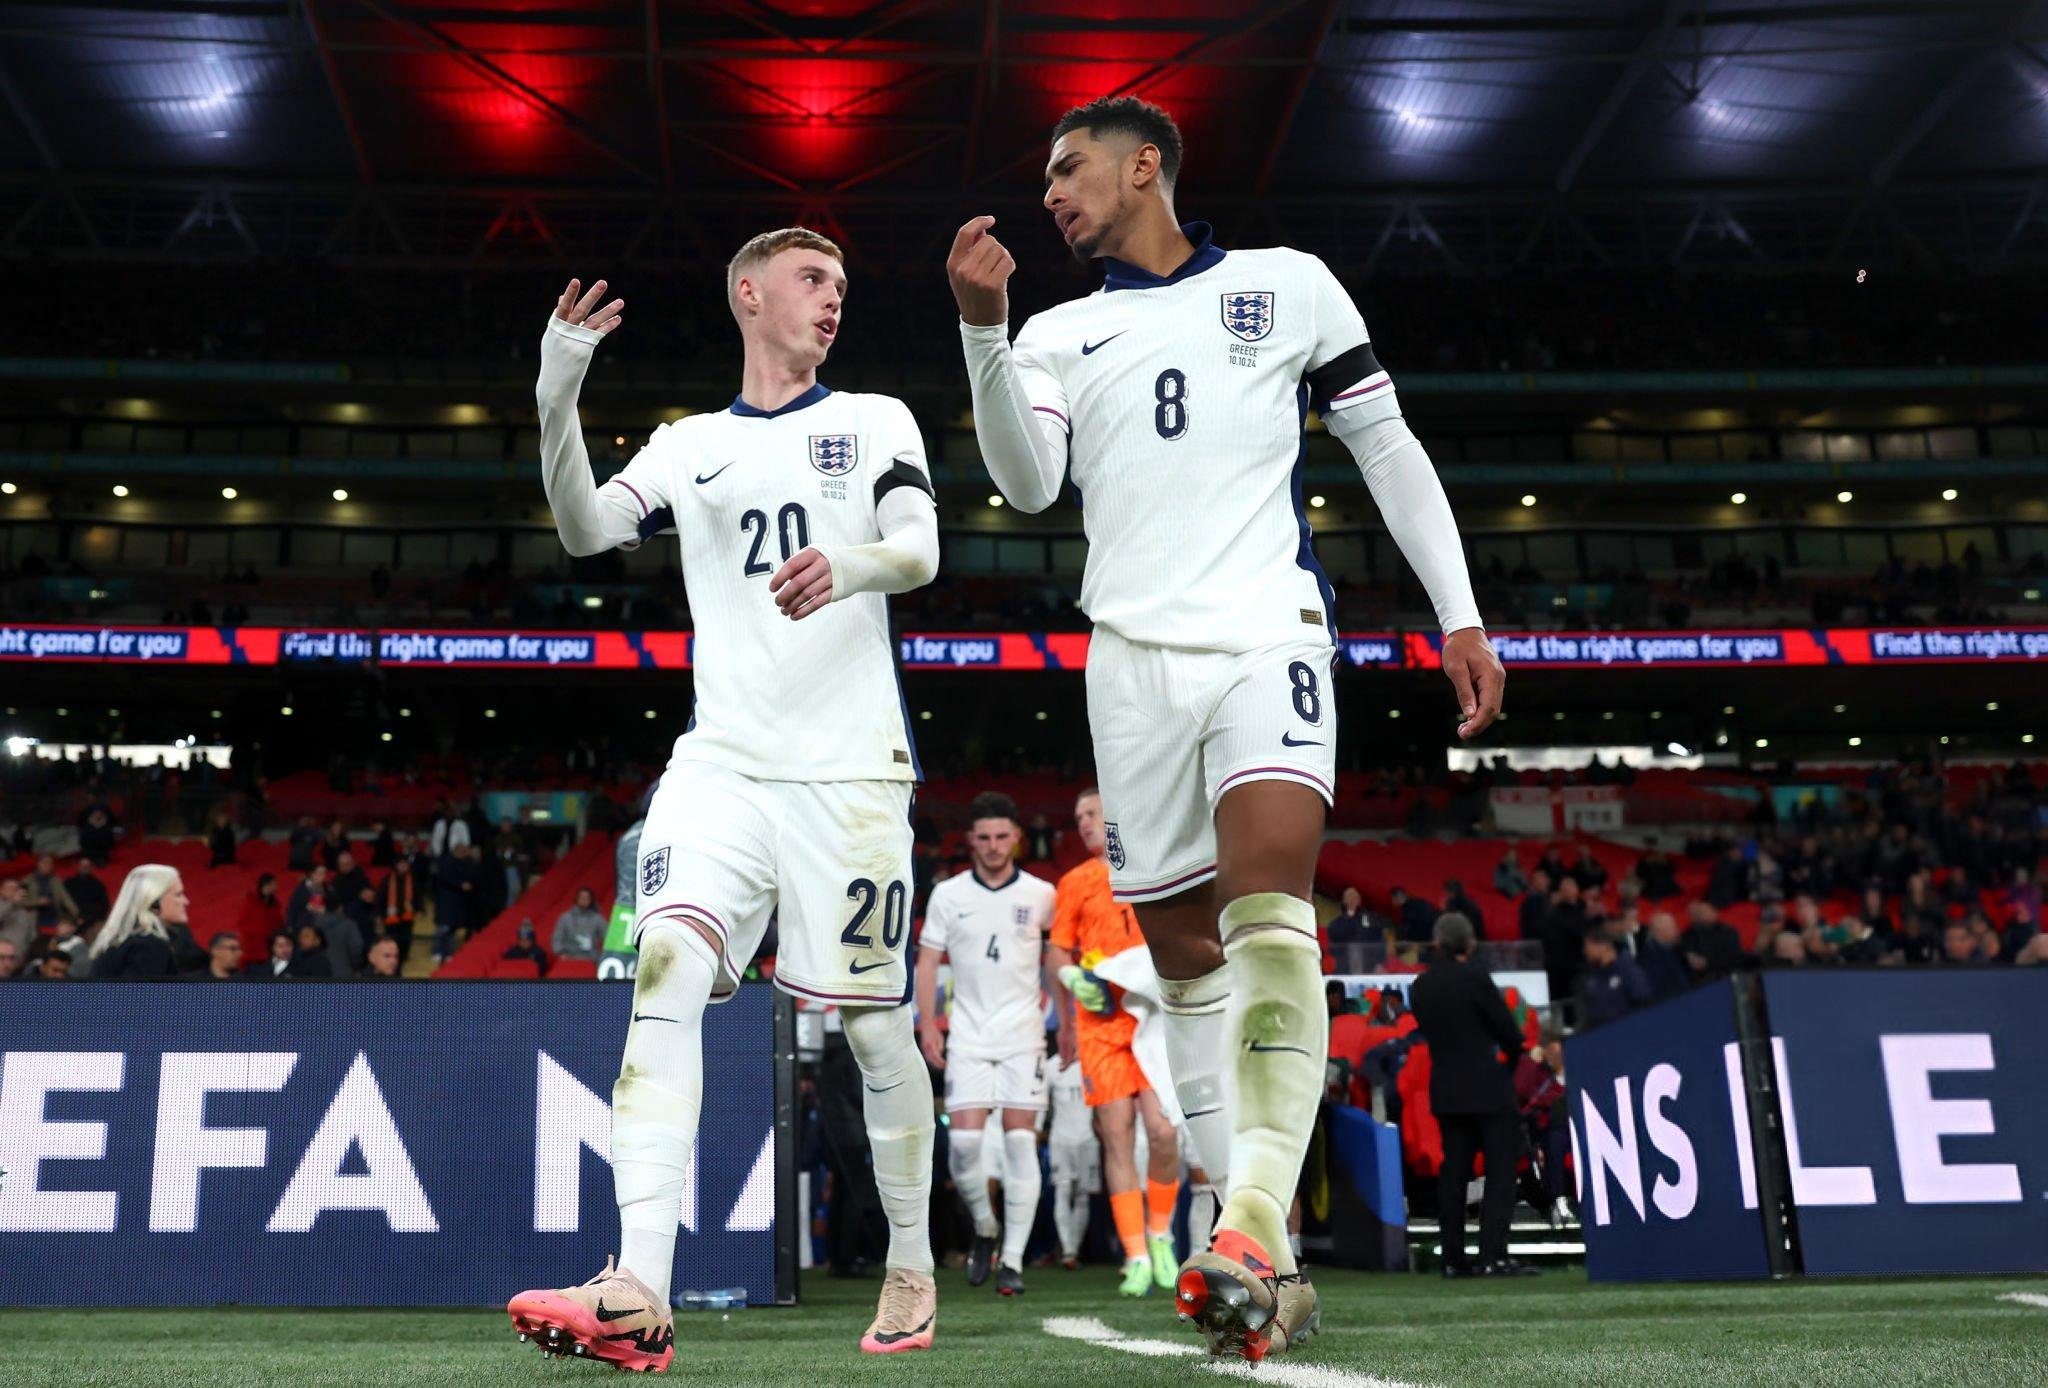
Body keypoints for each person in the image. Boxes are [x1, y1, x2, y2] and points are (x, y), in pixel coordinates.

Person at [952, 96, 1503, 1358]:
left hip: (1266, 636)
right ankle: (1266, 1263)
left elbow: (1385, 444)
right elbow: (1027, 485)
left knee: (1267, 910)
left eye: (1068, 168)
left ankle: (1246, 1215)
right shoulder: (1053, 331)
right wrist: (983, 333)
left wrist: (1459, 613)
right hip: (1127, 665)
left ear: (1143, 166)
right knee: (1184, 960)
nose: (1049, 192)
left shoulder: (1286, 283)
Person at [509, 227, 944, 1370]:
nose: (832, 298)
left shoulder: (876, 418)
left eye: (841, 283)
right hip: (722, 766)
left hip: (850, 773)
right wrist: (557, 394)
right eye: (811, 279)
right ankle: (638, 1286)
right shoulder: (689, 444)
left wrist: (848, 564)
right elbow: (583, 528)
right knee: (664, 970)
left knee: (873, 1026)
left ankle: (911, 1259)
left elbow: (919, 548)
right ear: (748, 294)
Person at [913, 791, 1058, 1296]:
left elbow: (1056, 960)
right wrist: (929, 1024)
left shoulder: (1041, 893)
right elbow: (927, 962)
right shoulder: (948, 894)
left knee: (1020, 1142)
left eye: (1001, 836)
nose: (994, 845)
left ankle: (1012, 1260)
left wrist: (1070, 1026)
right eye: (984, 837)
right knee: (964, 1145)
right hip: (969, 1034)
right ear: (971, 841)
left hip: (1024, 1035)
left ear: (1016, 837)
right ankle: (985, 1226)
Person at [1048, 788, 1187, 1299]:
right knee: (1117, 1134)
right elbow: (1058, 950)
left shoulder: (1153, 867)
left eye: (1092, 813)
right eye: (1078, 816)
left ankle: (1161, 1234)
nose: (1084, 822)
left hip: (1153, 1015)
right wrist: (1069, 978)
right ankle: (1136, 1255)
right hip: (1099, 1022)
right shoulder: (1075, 882)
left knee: (1164, 1132)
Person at [1407, 913, 1534, 1280]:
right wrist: (1508, 1065)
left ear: (1437, 943)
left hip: (1447, 1089)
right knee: (1500, 1172)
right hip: (1488, 1087)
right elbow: (1510, 1034)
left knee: (1453, 1174)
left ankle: (1452, 1259)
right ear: (1469, 943)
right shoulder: (1475, 978)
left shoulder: (1420, 987)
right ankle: (1492, 1256)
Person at [1044, 1050, 1100, 1270]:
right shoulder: (1052, 1065)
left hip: (1088, 1138)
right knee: (1063, 1190)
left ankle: (1072, 1251)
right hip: (1060, 1138)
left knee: (1083, 1195)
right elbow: (1041, 1099)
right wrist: (1037, 1128)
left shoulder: (1093, 1061)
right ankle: (1067, 1249)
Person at [87, 865, 189, 978]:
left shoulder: (124, 940)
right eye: (178, 895)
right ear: (153, 901)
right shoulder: (148, 945)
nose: (186, 901)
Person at [1578, 930, 1651, 1028]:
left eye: (1587, 947)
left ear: (1603, 946)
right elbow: (1591, 1014)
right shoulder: (1593, 977)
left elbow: (1644, 1002)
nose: (1585, 951)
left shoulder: (1628, 970)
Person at [23, 854, 79, 931]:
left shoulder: (56, 880)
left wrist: (76, 914)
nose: (47, 865)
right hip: (35, 918)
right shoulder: (28, 881)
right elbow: (20, 901)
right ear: (38, 864)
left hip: (55, 916)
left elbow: (65, 898)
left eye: (50, 863)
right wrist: (37, 901)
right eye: (44, 862)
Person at [378, 856, 419, 961]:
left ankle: (403, 956)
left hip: (407, 914)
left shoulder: (413, 879)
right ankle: (392, 956)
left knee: (406, 938)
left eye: (405, 864)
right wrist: (379, 914)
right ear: (396, 865)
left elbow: (418, 896)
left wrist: (419, 909)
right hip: (390, 915)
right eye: (401, 864)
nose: (403, 867)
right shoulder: (387, 879)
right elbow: (381, 897)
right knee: (392, 938)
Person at [236, 873, 284, 959]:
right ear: (265, 885)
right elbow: (243, 923)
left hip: (271, 945)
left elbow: (279, 922)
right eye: (273, 884)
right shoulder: (250, 902)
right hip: (255, 946)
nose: (275, 887)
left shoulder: (274, 904)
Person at [552, 886, 607, 961]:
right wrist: (560, 952)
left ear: (591, 900)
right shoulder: (565, 918)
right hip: (569, 957)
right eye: (582, 897)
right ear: (577, 899)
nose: (584, 900)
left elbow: (607, 938)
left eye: (587, 898)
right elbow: (557, 938)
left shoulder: (598, 919)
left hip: (591, 958)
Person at [65, 856, 111, 929]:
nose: (84, 868)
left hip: (92, 919)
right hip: (72, 918)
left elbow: (104, 906)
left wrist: (88, 919)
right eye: (82, 866)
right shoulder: (68, 883)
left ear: (91, 868)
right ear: (78, 867)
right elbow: (64, 903)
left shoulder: (97, 885)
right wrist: (76, 918)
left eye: (87, 866)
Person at [286, 864, 330, 936]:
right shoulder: (301, 889)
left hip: (322, 925)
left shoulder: (328, 889)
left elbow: (333, 907)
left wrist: (325, 909)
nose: (323, 876)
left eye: (324, 873)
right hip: (305, 925)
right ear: (312, 874)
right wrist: (290, 926)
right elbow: (292, 909)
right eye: (320, 873)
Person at [0, 876, 34, 957]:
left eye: (16, 889)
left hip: (20, 954)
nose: (14, 892)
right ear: (1, 890)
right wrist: (11, 902)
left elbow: (31, 933)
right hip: (3, 954)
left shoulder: (22, 910)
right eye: (10, 888)